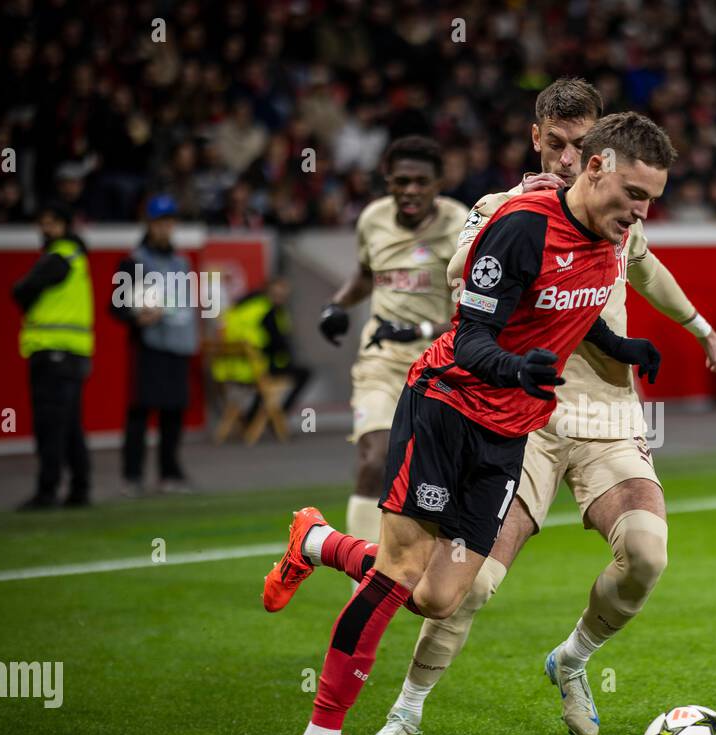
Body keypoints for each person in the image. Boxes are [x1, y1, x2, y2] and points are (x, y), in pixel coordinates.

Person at [263, 78, 716, 735]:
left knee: (645, 555)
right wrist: (518, 226)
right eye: (562, 145)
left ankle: (572, 658)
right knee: (456, 586)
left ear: (603, 147)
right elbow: (472, 285)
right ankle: (406, 708)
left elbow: (640, 269)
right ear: (538, 138)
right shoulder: (506, 210)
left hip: (603, 414)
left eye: (585, 145)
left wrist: (692, 329)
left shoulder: (619, 216)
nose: (572, 159)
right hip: (518, 418)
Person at [313, 136, 468, 552]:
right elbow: (366, 273)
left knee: (436, 477)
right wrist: (336, 305)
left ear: (438, 183)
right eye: (401, 181)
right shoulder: (373, 219)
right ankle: (363, 584)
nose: (410, 190)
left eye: (421, 181)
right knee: (375, 461)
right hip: (380, 358)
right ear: (388, 182)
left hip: (438, 363)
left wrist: (418, 329)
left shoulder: (462, 227)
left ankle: (425, 568)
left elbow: (471, 309)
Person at [110, 195, 200, 495]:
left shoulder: (181, 262)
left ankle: (170, 474)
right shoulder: (135, 261)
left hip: (179, 345)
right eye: (161, 222)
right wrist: (139, 314)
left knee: (174, 413)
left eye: (170, 222)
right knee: (141, 411)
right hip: (150, 346)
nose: (166, 228)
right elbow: (116, 306)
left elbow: (187, 306)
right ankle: (132, 476)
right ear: (150, 224)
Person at [9, 201, 93, 509]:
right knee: (70, 425)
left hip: (53, 351)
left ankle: (48, 491)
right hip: (73, 353)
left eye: (52, 222)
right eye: (43, 222)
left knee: (50, 426)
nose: (46, 228)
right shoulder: (77, 256)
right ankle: (80, 488)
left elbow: (20, 290)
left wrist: (22, 294)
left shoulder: (59, 256)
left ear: (65, 225)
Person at [213, 277, 312, 421]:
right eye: (278, 296)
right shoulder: (267, 311)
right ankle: (278, 416)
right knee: (304, 373)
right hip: (252, 370)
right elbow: (278, 345)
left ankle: (251, 417)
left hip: (228, 370)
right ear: (268, 292)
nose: (280, 300)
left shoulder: (240, 308)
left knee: (266, 377)